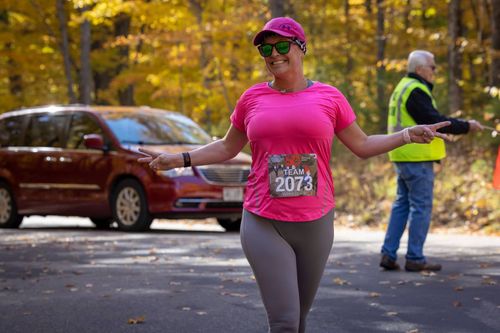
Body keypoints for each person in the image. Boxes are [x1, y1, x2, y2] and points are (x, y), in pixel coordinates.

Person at [139, 18, 450, 333]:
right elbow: (226, 147)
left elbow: (363, 145)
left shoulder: (330, 97)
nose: (274, 54)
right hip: (263, 220)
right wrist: (179, 159)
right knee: (285, 322)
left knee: (299, 319)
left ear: (301, 48)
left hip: (316, 222)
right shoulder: (252, 98)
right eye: (266, 48)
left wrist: (408, 134)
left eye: (283, 45)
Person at [380, 50, 483, 273]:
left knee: (402, 204)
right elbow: (435, 122)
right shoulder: (416, 90)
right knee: (421, 206)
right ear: (420, 69)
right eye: (433, 67)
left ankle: (388, 253)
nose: (435, 71)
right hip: (417, 156)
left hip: (401, 154)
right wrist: (466, 125)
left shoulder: (402, 87)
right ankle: (415, 257)